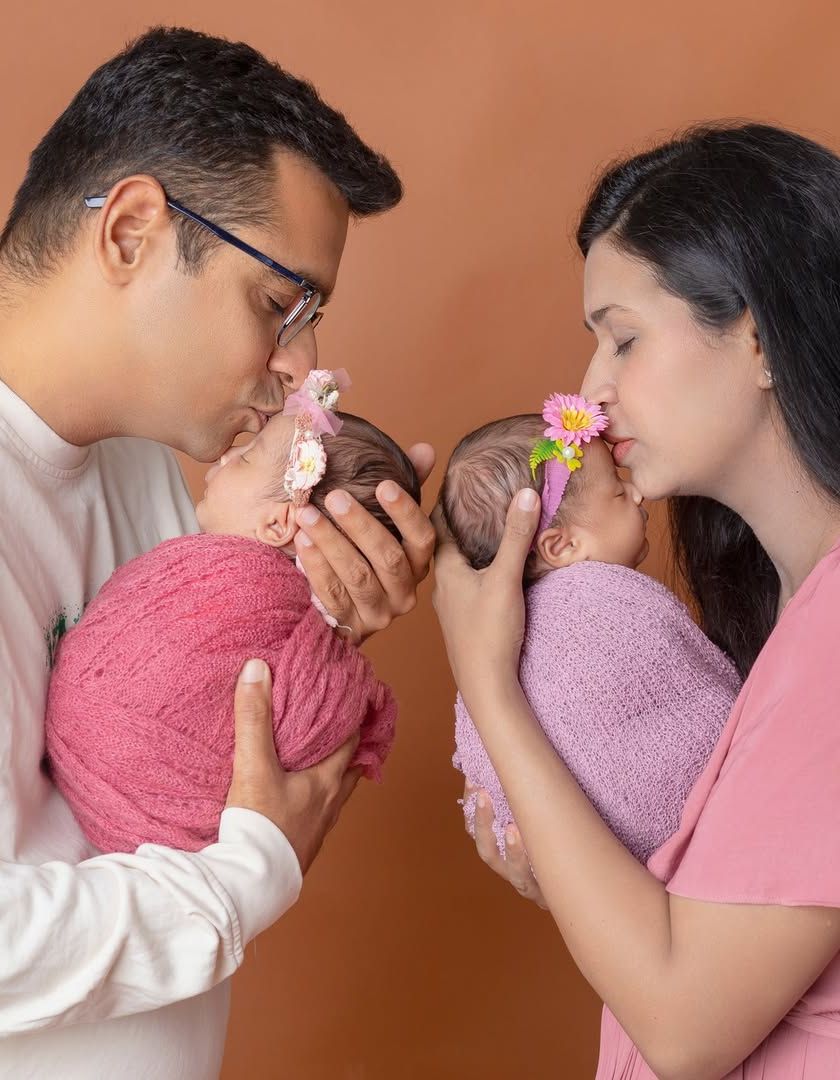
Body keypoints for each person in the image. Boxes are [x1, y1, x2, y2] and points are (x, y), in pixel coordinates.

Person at [0, 26, 433, 1080]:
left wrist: (311, 620)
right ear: (132, 232)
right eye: (279, 304)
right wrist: (251, 875)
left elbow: (186, 789)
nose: (303, 365)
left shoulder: (147, 465)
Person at [433, 122, 840, 1078]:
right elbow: (707, 948)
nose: (592, 393)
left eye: (623, 339)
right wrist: (588, 879)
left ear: (759, 336)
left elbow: (687, 1026)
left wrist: (489, 686)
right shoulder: (787, 617)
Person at [45, 370, 421, 855]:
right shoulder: (246, 592)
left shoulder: (256, 595)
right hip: (163, 831)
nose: (224, 457)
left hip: (141, 794)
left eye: (244, 458)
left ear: (277, 524)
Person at [440, 403, 739, 864]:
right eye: (617, 491)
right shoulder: (610, 601)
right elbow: (702, 688)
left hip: (588, 861)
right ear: (562, 546)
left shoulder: (488, 636)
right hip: (704, 820)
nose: (637, 493)